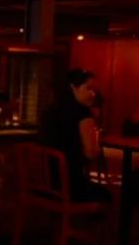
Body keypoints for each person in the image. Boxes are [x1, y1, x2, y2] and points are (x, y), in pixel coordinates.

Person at [40, 69, 111, 203]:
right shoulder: (83, 115)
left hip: (45, 182)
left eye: (94, 90)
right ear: (73, 87)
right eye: (88, 88)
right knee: (107, 196)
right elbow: (91, 153)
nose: (93, 94)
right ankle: (82, 223)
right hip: (68, 185)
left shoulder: (51, 110)